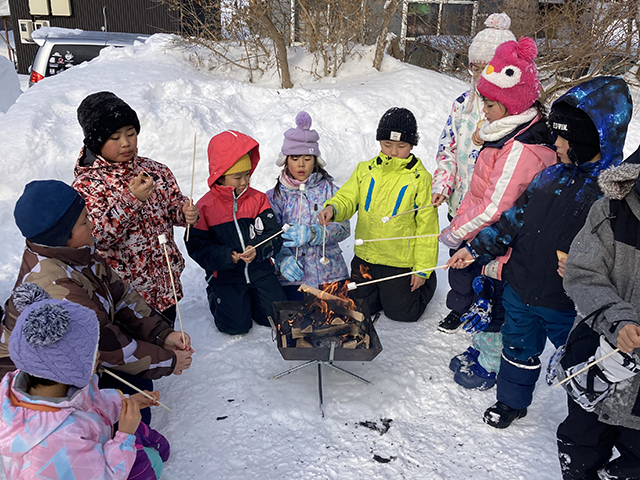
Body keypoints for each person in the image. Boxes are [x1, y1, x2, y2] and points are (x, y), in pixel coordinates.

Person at [447, 77, 632, 426]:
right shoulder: (549, 176)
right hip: (521, 287)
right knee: (517, 349)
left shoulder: (610, 197)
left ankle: (588, 423)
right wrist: (475, 250)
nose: (556, 143)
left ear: (591, 140)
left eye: (565, 138)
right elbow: (512, 222)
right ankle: (511, 402)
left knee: (579, 359)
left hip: (568, 304)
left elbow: (616, 260)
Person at [2, 179, 193, 424]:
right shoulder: (56, 286)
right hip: (45, 382)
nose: (92, 225)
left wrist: (162, 333)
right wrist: (169, 361)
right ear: (63, 235)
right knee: (129, 416)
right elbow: (106, 347)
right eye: (84, 221)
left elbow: (122, 295)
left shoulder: (78, 253)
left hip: (83, 355)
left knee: (140, 386)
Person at [438, 36, 557, 338]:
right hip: (486, 235)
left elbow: (496, 206)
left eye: (489, 104)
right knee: (481, 292)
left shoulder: (519, 148)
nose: (485, 110)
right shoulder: (504, 134)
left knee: (496, 305)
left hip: (504, 246)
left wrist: (457, 232)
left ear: (510, 104)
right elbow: (480, 190)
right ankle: (483, 347)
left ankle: (491, 360)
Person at [0, 284, 170, 480]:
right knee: (151, 463)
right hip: (89, 468)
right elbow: (106, 476)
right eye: (90, 353)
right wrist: (124, 436)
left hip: (87, 454)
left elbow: (87, 402)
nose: (97, 355)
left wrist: (124, 401)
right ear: (66, 366)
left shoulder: (46, 382)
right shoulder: (58, 444)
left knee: (152, 459)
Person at [72, 91, 199, 325]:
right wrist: (131, 199)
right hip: (125, 291)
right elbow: (99, 236)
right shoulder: (88, 185)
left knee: (165, 336)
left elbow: (173, 206)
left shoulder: (156, 171)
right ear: (97, 142)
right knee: (138, 351)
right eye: (115, 137)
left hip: (163, 280)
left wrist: (185, 212)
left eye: (131, 134)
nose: (126, 143)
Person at [556, 145, 640, 479]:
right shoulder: (610, 210)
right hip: (596, 356)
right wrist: (617, 319)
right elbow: (582, 272)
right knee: (580, 444)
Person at [433, 12, 516, 333]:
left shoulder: (512, 114)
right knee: (460, 263)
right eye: (474, 67)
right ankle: (459, 306)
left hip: (496, 210)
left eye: (488, 68)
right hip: (462, 205)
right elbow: (447, 149)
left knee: (492, 262)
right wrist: (443, 183)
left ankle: (493, 309)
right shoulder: (462, 105)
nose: (480, 74)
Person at [318, 107, 438, 323]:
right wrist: (333, 208)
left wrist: (423, 270)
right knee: (361, 309)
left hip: (398, 262)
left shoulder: (421, 179)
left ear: (411, 145)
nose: (393, 151)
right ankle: (383, 292)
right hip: (366, 257)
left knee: (403, 314)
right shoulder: (365, 170)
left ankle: (428, 281)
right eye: (387, 145)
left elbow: (427, 228)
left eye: (401, 146)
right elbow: (347, 197)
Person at [186, 130, 287, 335]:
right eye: (237, 176)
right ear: (220, 176)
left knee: (278, 318)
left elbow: (274, 235)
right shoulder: (204, 207)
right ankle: (218, 295)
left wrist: (258, 250)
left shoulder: (258, 200)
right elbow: (197, 246)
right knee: (235, 326)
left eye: (247, 175)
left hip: (260, 271)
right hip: (226, 275)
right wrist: (226, 256)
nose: (244, 182)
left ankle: (251, 297)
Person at [266, 111, 350, 300]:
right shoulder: (274, 197)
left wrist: (315, 233)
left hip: (331, 275)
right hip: (294, 278)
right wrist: (282, 259)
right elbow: (269, 236)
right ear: (286, 160)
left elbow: (344, 229)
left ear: (316, 160)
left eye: (307, 158)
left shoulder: (331, 191)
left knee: (338, 317)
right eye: (295, 158)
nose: (301, 164)